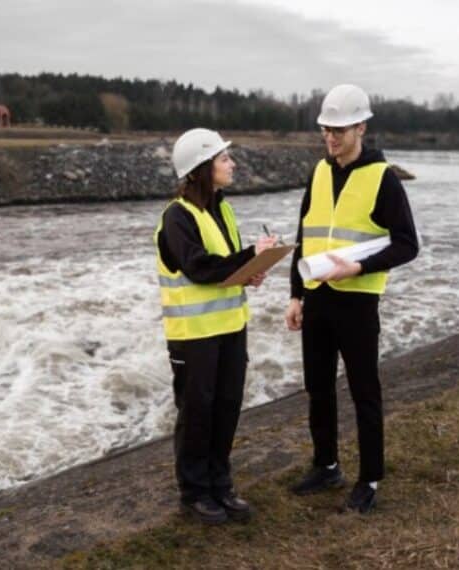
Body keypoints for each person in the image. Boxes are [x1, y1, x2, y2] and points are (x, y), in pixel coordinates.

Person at [285, 84, 420, 514]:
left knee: (365, 392)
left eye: (340, 129)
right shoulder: (319, 172)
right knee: (318, 388)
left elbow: (407, 244)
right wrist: (295, 294)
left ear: (361, 127)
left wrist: (359, 267)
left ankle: (370, 479)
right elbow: (304, 235)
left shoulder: (383, 179)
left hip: (358, 303)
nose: (331, 137)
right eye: (327, 129)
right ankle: (326, 465)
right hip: (317, 299)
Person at [155, 128, 277, 524]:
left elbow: (225, 267)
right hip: (194, 336)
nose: (232, 164)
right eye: (224, 158)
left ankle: (220, 484)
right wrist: (246, 260)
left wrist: (251, 270)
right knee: (197, 412)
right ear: (201, 168)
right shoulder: (177, 217)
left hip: (229, 327)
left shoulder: (222, 209)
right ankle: (194, 493)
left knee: (226, 407)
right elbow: (199, 267)